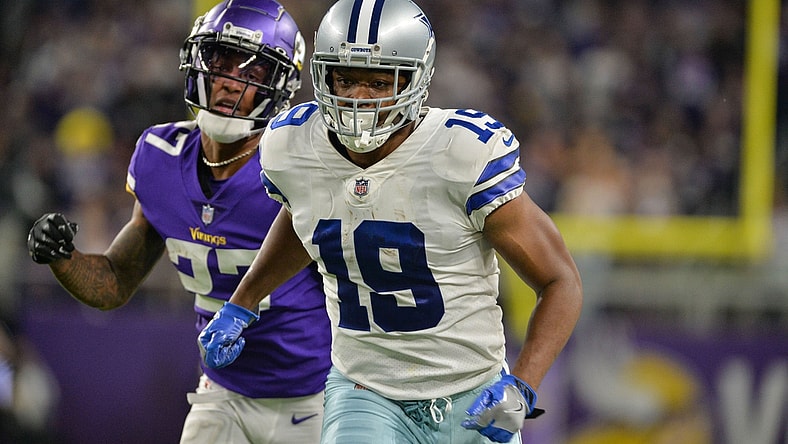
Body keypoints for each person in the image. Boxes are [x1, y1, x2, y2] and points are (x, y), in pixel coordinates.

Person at [199, 0, 583, 442]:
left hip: (473, 391)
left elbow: (560, 281)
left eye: (378, 81)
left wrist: (522, 385)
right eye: (346, 79)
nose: (358, 98)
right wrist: (242, 301)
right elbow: (305, 216)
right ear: (323, 75)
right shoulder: (293, 146)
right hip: (366, 390)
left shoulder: (460, 154)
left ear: (416, 79)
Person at [25, 1, 331, 443]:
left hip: (316, 396)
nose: (229, 82)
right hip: (222, 393)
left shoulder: (299, 164)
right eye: (220, 62)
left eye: (251, 72)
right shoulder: (159, 157)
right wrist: (63, 258)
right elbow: (114, 283)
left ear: (279, 85)